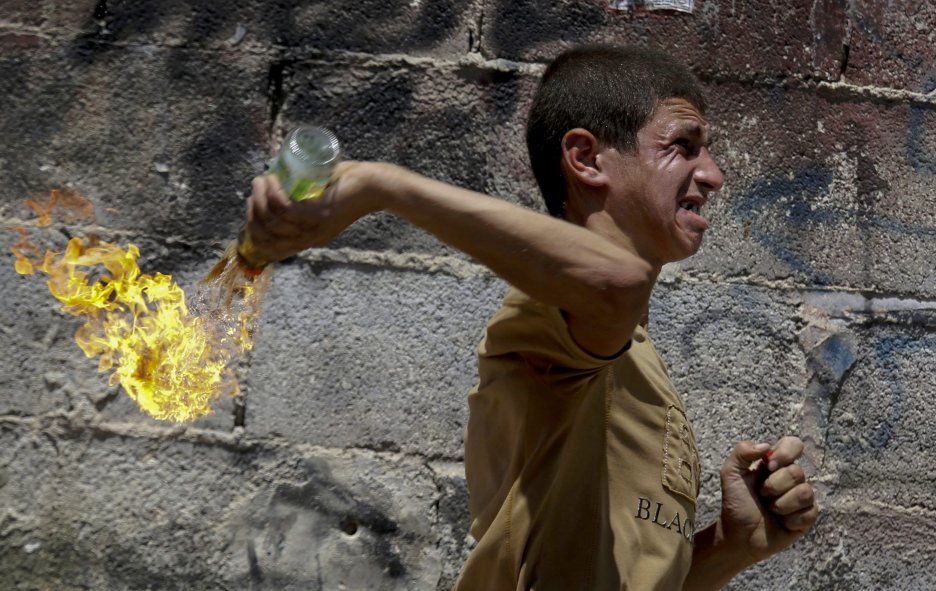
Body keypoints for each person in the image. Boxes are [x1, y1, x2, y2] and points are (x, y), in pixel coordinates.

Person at [242, 44, 819, 590]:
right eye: (684, 145)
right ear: (588, 158)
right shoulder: (555, 315)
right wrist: (383, 186)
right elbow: (615, 281)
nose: (713, 174)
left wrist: (732, 544)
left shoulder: (635, 356)